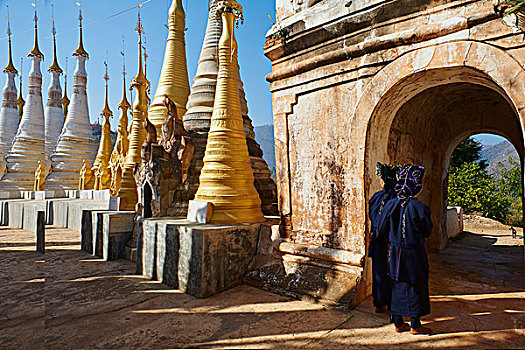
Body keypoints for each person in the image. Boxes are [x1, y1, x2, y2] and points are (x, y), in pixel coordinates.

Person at [378, 164, 433, 335]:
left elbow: (381, 229)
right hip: (415, 253)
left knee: (396, 283)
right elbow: (427, 231)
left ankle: (398, 322)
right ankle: (415, 325)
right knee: (416, 285)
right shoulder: (420, 207)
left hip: (395, 252)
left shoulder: (389, 205)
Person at [369, 162, 399, 313]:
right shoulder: (398, 198)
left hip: (378, 239)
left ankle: (379, 302)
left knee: (379, 271)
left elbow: (372, 217)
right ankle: (392, 303)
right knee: (392, 271)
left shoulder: (376, 197)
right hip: (391, 241)